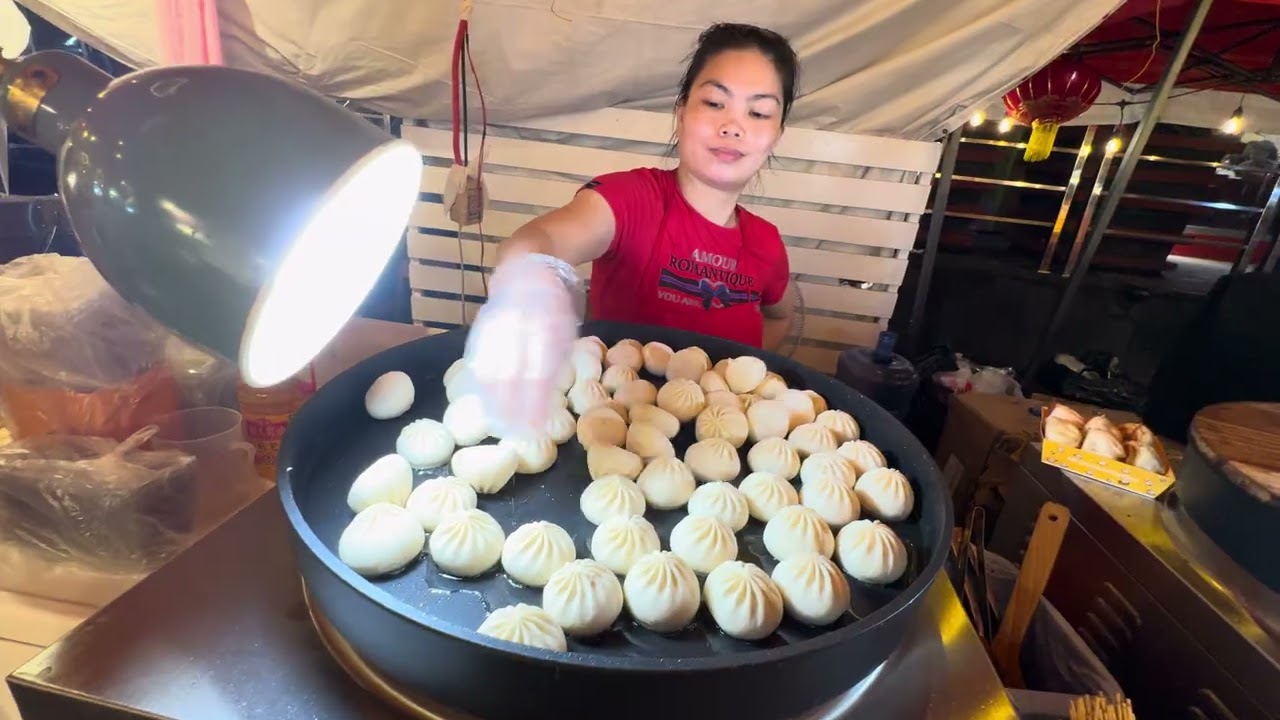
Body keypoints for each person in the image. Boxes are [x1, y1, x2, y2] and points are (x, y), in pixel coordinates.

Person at [464, 23, 800, 434]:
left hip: (725, 440)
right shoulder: (631, 200)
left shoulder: (765, 242)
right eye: (715, 103)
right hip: (610, 430)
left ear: (776, 135)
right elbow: (543, 239)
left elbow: (781, 315)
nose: (733, 125)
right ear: (681, 112)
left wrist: (741, 376)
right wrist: (529, 281)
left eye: (759, 112)